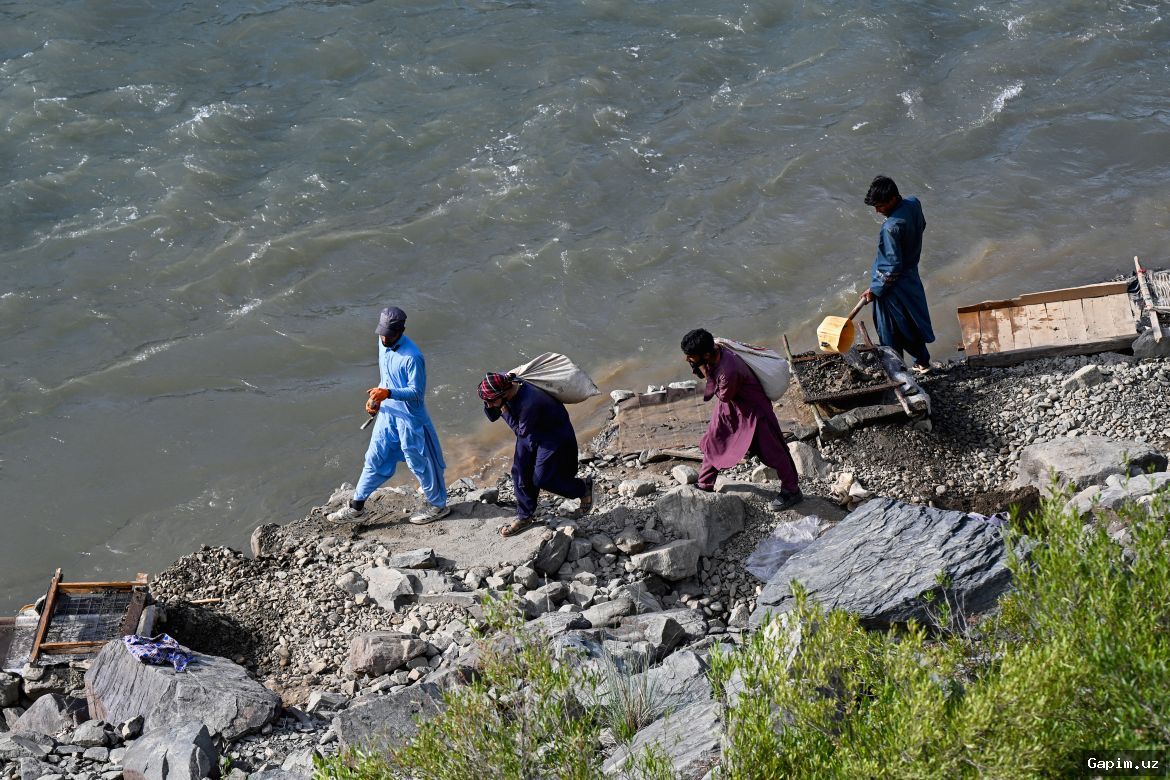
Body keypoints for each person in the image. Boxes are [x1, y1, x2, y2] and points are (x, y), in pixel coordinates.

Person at [328, 307, 450, 525]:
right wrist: (375, 400)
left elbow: (417, 394)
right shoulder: (382, 343)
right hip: (387, 414)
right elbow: (386, 377)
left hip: (410, 419)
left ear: (401, 331)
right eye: (381, 333)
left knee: (419, 462)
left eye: (388, 334)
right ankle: (356, 508)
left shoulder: (413, 357)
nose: (384, 338)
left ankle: (438, 505)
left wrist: (388, 393)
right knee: (374, 457)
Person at [681, 328, 802, 511]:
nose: (687, 360)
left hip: (753, 413)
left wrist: (702, 369)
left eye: (691, 356)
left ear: (706, 354)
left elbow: (723, 394)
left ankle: (792, 490)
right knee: (715, 440)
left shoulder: (729, 370)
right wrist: (700, 365)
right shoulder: (716, 351)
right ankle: (705, 483)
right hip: (730, 408)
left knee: (774, 451)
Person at [478, 372, 594, 537]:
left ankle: (583, 488)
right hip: (531, 433)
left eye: (490, 401)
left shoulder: (530, 401)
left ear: (504, 394)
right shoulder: (506, 386)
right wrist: (492, 404)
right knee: (520, 473)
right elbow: (493, 416)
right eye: (485, 401)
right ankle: (524, 516)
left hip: (552, 436)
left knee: (543, 478)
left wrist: (504, 410)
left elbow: (520, 431)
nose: (488, 405)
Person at [858, 175, 936, 373]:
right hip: (911, 275)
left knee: (891, 328)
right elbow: (922, 225)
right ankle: (922, 361)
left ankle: (896, 369)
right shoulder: (913, 204)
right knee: (912, 320)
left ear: (893, 199)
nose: (877, 211)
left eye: (880, 205)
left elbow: (891, 267)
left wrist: (875, 289)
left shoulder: (890, 228)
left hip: (894, 287)